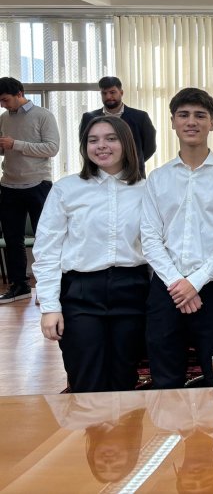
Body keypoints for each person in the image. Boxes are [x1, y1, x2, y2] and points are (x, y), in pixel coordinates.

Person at [33, 116, 149, 392]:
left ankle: (125, 436)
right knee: (86, 378)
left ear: (126, 143)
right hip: (81, 292)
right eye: (93, 140)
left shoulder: (147, 189)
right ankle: (93, 435)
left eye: (111, 138)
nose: (102, 146)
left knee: (125, 377)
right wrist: (50, 307)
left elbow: (155, 244)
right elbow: (47, 250)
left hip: (132, 289)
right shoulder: (66, 188)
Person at [140, 87, 213, 389]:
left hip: (212, 289)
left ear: (212, 123)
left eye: (200, 115)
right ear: (172, 122)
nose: (191, 121)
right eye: (183, 115)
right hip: (165, 288)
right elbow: (150, 237)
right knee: (165, 376)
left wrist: (194, 282)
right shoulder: (158, 178)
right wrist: (178, 283)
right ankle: (172, 437)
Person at [0, 76, 60, 304]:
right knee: (12, 238)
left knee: (45, 238)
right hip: (8, 185)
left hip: (38, 184)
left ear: (19, 93)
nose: (3, 105)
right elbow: (6, 150)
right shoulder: (4, 118)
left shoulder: (43, 115)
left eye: (5, 100)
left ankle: (48, 287)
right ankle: (19, 286)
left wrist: (16, 144)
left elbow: (52, 148)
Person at [79, 76, 156, 173]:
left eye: (112, 92)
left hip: (132, 173)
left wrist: (131, 161)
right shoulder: (89, 118)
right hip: (98, 173)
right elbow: (85, 146)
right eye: (104, 93)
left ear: (121, 93)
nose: (108, 97)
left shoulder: (140, 117)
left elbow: (150, 147)